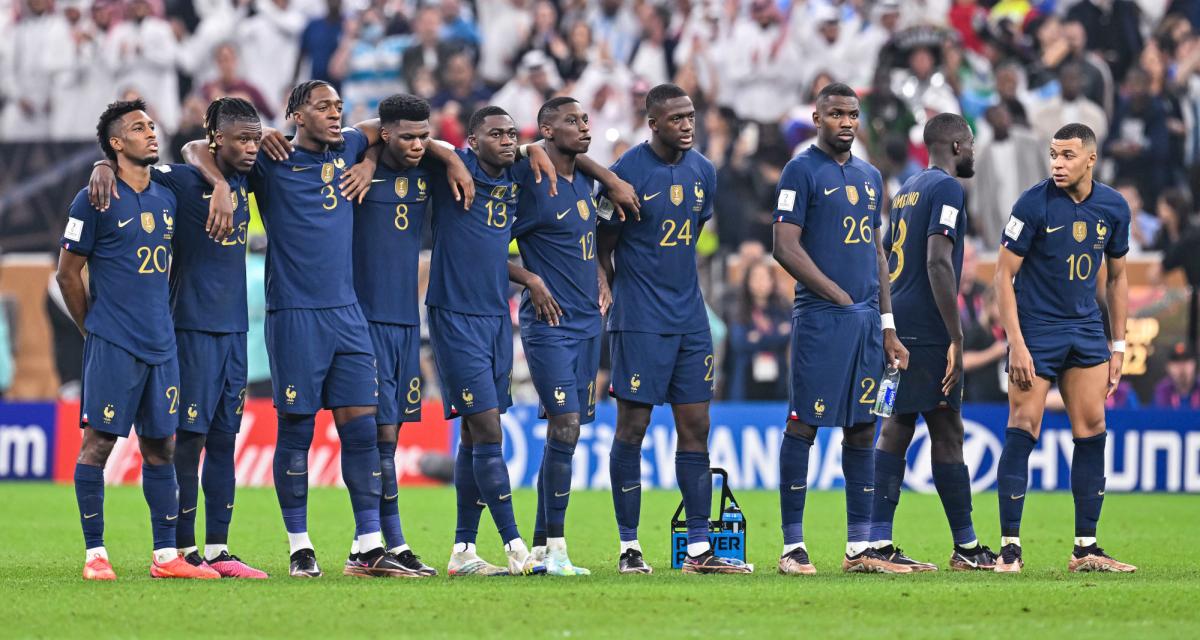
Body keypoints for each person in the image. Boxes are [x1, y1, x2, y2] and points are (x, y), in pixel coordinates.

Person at [181, 80, 466, 579]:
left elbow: (396, 130)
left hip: (348, 315)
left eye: (338, 106)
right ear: (296, 113)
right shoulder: (270, 158)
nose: (335, 114)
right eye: (323, 107)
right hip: (295, 315)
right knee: (297, 431)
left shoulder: (353, 146)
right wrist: (225, 182)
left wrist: (437, 158)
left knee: (362, 432)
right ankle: (299, 545)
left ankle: (367, 546)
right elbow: (192, 147)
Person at [86, 97, 267, 579]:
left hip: (234, 331)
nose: (251, 146)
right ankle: (182, 549)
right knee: (188, 440)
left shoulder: (253, 174)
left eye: (255, 138)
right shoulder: (181, 181)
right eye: (241, 138)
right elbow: (149, 166)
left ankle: (219, 549)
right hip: (187, 327)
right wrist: (101, 166)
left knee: (225, 440)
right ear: (216, 139)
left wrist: (230, 183)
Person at [59, 99, 216, 581]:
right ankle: (95, 555)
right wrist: (95, 331)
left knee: (160, 449)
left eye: (151, 125)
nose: (151, 132)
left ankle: (166, 558)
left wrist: (102, 164)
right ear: (115, 143)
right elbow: (68, 275)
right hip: (114, 342)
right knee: (99, 444)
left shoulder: (167, 190)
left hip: (161, 344)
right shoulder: (94, 198)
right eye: (137, 128)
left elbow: (198, 155)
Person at [598, 83, 750, 575]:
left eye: (691, 116)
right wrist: (609, 286)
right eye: (677, 118)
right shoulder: (625, 173)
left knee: (696, 428)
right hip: (639, 319)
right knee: (633, 427)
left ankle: (700, 550)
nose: (688, 124)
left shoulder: (704, 170)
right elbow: (604, 240)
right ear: (653, 123)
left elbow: (691, 232)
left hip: (690, 318)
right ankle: (629, 547)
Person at [770, 82, 910, 576]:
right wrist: (834, 293)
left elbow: (877, 254)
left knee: (863, 428)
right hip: (821, 321)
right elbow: (783, 246)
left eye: (852, 114)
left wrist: (888, 325)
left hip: (868, 323)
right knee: (804, 424)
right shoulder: (800, 170)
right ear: (817, 117)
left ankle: (860, 548)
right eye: (836, 114)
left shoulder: (872, 176)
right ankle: (791, 547)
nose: (846, 122)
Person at [993, 123, 1135, 573]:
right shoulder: (1032, 204)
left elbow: (1117, 278)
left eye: (1068, 155)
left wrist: (1118, 343)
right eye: (1054, 154)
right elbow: (1002, 276)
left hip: (1086, 329)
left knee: (1092, 427)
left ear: (1090, 159)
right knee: (1024, 424)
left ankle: (1086, 548)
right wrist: (1016, 343)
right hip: (1036, 330)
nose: (1058, 163)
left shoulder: (1113, 207)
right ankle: (1010, 549)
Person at [870, 113, 998, 572]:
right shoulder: (947, 189)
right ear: (958, 146)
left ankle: (877, 543)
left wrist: (887, 319)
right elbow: (938, 262)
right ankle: (966, 547)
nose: (974, 153)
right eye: (972, 144)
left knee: (898, 425)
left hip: (899, 320)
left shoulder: (907, 188)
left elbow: (883, 254)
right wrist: (956, 335)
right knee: (946, 429)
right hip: (928, 328)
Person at [427, 105, 544, 577]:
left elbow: (492, 252)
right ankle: (515, 544)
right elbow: (419, 138)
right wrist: (452, 158)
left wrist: (528, 278)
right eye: (496, 134)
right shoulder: (456, 166)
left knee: (474, 436)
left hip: (496, 315)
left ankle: (462, 551)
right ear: (473, 141)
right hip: (455, 314)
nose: (507, 140)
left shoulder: (516, 174)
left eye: (512, 134)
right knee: (489, 429)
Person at [510, 97, 609, 576]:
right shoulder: (530, 180)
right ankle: (558, 549)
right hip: (548, 323)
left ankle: (540, 547)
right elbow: (483, 243)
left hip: (589, 322)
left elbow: (587, 244)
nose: (583, 126)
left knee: (564, 434)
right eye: (571, 121)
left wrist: (603, 280)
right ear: (546, 131)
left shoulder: (586, 179)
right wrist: (529, 279)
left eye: (585, 119)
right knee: (565, 427)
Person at [349, 94, 441, 577]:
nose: (417, 144)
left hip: (407, 321)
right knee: (377, 433)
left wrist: (438, 150)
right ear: (383, 134)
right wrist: (366, 156)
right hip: (362, 321)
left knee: (393, 433)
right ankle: (381, 542)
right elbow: (359, 132)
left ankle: (381, 543)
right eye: (406, 136)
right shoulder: (354, 167)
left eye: (423, 136)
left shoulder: (427, 168)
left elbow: (449, 147)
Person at [726, 259, 790, 401]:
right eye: (755, 277)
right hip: (746, 381)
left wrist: (757, 337)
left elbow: (789, 337)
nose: (760, 282)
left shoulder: (783, 309)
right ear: (747, 281)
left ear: (772, 281)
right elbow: (739, 343)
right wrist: (775, 335)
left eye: (764, 277)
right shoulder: (738, 310)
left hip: (778, 380)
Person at [1153, 342, 1200, 409]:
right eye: (1176, 362)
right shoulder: (1162, 390)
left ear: (1194, 364)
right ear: (1168, 367)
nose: (1181, 366)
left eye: (1186, 361)